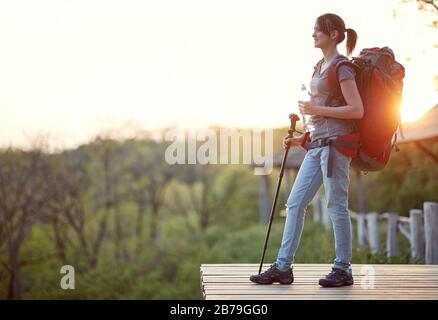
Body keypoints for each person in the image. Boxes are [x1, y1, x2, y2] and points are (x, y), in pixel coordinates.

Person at [250, 13, 364, 287]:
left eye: (318, 31)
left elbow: (357, 110)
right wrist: (301, 140)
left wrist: (315, 109)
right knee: (294, 203)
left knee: (336, 205)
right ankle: (282, 268)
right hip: (317, 146)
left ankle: (343, 269)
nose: (313, 35)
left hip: (337, 146)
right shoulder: (318, 66)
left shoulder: (342, 67)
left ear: (334, 34)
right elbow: (321, 117)